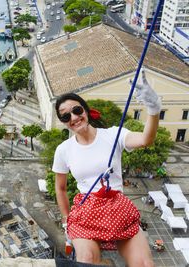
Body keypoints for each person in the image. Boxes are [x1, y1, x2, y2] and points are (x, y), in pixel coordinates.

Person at [52, 71, 159, 266]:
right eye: (66, 116)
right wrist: (66, 221)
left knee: (145, 264)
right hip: (86, 211)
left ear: (85, 109)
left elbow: (146, 140)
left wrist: (153, 107)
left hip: (117, 207)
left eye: (76, 110)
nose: (74, 117)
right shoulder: (63, 150)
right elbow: (60, 188)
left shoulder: (113, 135)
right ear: (64, 122)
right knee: (87, 261)